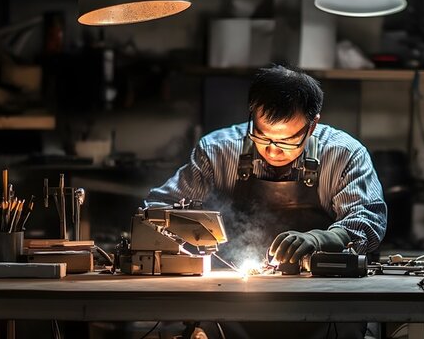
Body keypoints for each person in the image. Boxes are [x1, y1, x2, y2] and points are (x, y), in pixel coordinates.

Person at [146, 64, 387, 339]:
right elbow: (156, 212)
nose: (273, 150)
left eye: (287, 141)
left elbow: (368, 219)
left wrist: (322, 239)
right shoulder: (217, 150)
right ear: (252, 115)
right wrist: (191, 236)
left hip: (323, 304)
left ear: (312, 125)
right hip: (232, 304)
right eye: (262, 136)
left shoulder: (344, 154)